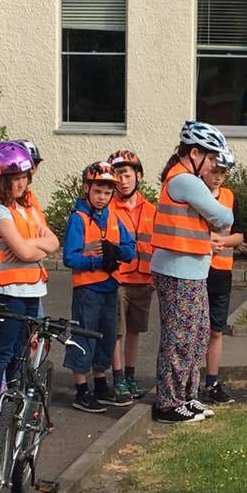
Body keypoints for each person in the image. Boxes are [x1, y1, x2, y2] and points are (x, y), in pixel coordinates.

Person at [0, 141, 58, 440]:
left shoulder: (24, 208)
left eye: (24, 178)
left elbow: (52, 243)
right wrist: (33, 246)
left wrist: (30, 247)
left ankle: (13, 409)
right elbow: (23, 250)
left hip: (31, 291)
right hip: (8, 291)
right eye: (15, 179)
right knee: (2, 353)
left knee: (21, 354)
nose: (21, 184)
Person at [149, 121, 233, 424]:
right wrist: (214, 212)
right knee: (178, 338)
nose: (214, 165)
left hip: (193, 270)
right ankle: (168, 403)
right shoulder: (185, 180)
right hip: (177, 270)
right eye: (211, 158)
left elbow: (219, 221)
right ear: (194, 153)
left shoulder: (188, 180)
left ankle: (187, 397)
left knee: (196, 336)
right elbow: (224, 217)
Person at [62, 161, 135, 413]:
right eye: (97, 192)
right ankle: (81, 390)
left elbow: (130, 249)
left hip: (109, 288)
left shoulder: (113, 216)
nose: (102, 197)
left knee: (105, 337)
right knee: (84, 336)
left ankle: (101, 384)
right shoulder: (78, 219)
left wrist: (117, 251)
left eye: (107, 192)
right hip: (87, 290)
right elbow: (69, 258)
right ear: (86, 189)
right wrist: (97, 260)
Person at [108, 149, 156, 403]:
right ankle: (117, 378)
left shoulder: (150, 209)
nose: (122, 180)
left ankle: (130, 374)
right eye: (117, 175)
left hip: (143, 279)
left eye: (126, 174)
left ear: (138, 176)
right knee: (117, 331)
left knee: (135, 331)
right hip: (118, 279)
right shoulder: (108, 208)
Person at [201, 147, 243, 404]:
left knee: (216, 331)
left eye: (223, 173)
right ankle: (191, 379)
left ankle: (212, 381)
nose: (218, 177)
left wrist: (223, 241)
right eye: (214, 171)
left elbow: (239, 235)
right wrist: (206, 242)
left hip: (222, 273)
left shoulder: (229, 196)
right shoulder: (196, 194)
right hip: (198, 271)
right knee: (197, 330)